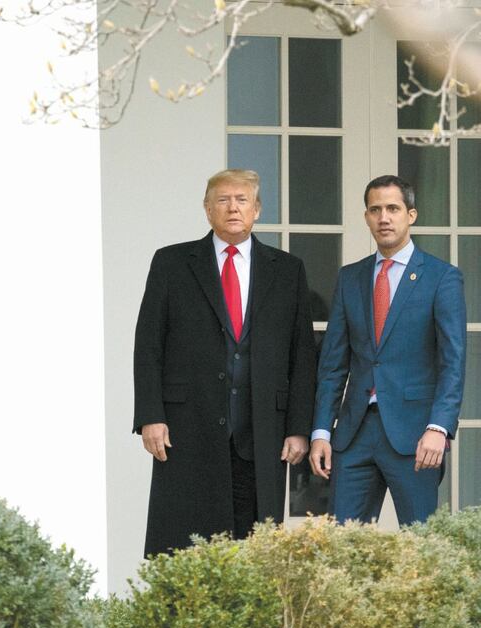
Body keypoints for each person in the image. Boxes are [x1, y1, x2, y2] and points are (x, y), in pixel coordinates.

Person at [133, 169, 317, 557]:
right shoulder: (172, 263)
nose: (233, 207)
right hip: (187, 429)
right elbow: (148, 345)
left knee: (256, 548)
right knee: (185, 546)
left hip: (262, 432)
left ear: (257, 209)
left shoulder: (287, 270)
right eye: (223, 200)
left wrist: (299, 427)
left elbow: (302, 355)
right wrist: (151, 415)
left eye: (242, 200)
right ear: (207, 209)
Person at [309, 175, 466, 525]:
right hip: (353, 435)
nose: (384, 217)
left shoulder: (442, 277)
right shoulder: (350, 277)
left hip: (415, 436)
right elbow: (333, 364)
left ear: (411, 215)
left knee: (420, 545)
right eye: (375, 209)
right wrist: (321, 431)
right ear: (366, 217)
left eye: (393, 208)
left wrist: (439, 427)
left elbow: (452, 362)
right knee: (343, 549)